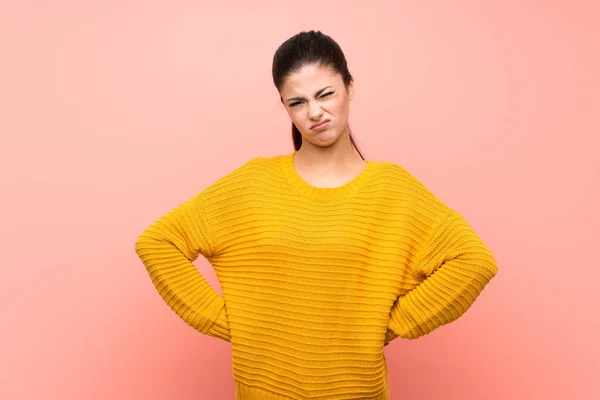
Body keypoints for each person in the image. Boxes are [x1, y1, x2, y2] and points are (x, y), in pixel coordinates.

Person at [134, 30, 498, 400]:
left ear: (349, 87)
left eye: (325, 94)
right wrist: (229, 322)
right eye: (297, 102)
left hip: (356, 390)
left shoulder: (393, 189)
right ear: (285, 107)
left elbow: (474, 261)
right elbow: (158, 242)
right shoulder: (253, 182)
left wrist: (396, 323)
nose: (314, 112)